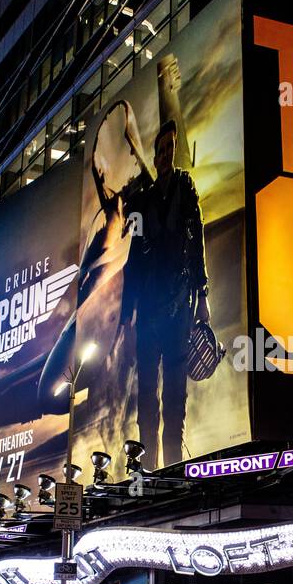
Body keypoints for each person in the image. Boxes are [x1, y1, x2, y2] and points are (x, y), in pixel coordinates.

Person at [118, 118, 210, 467]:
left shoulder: (186, 190)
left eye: (172, 147)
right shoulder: (143, 202)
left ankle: (173, 470)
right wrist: (127, 321)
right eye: (162, 149)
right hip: (148, 314)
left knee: (175, 396)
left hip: (179, 308)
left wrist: (203, 296)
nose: (168, 153)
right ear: (155, 158)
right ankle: (149, 469)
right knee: (146, 396)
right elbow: (133, 265)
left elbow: (197, 241)